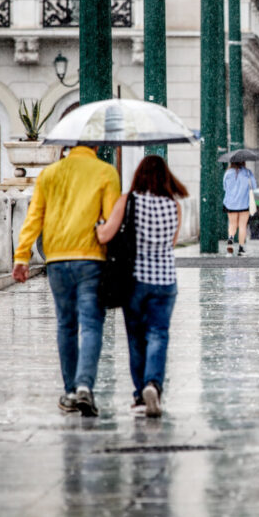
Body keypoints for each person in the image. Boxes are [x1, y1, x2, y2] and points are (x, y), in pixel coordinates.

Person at [12, 143, 121, 417]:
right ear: (96, 144)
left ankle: (71, 390)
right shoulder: (106, 172)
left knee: (66, 324)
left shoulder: (50, 174)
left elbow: (34, 216)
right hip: (91, 259)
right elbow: (111, 221)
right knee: (92, 324)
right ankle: (85, 384)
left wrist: (22, 256)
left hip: (57, 259)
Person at [95, 156, 187, 418]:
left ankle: (139, 397)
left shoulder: (128, 200)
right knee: (159, 334)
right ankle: (153, 385)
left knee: (136, 339)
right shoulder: (174, 205)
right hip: (166, 280)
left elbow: (105, 235)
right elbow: (172, 242)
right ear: (166, 177)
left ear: (139, 175)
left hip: (134, 279)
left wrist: (98, 223)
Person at [222, 161, 256, 256]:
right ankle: (241, 248)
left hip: (230, 203)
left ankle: (230, 240)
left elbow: (225, 187)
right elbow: (254, 186)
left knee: (232, 224)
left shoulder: (228, 173)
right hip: (244, 203)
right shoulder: (247, 172)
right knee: (242, 226)